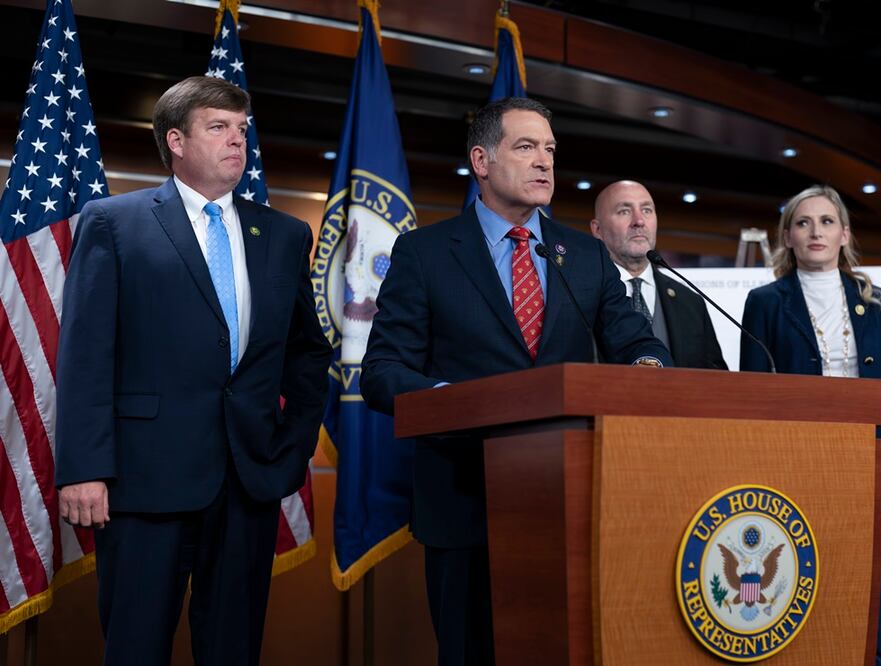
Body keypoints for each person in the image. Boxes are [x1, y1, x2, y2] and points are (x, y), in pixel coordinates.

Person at [359, 97, 671, 665]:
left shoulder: (585, 255)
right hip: (463, 498)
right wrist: (456, 403)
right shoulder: (425, 253)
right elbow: (383, 372)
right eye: (525, 147)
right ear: (481, 159)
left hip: (571, 501)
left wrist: (647, 375)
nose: (544, 162)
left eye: (549, 149)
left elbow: (639, 345)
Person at [54, 76, 332, 666]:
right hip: (142, 482)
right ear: (176, 140)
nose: (238, 142)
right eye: (219, 128)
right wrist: (84, 468)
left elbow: (306, 354)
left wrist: (292, 448)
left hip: (248, 481)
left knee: (233, 649)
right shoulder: (113, 222)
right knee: (136, 648)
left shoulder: (282, 233)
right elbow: (84, 355)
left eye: (242, 130)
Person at [739, 184, 881, 665]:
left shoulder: (877, 302)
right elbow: (753, 401)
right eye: (803, 223)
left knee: (872, 613)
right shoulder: (764, 302)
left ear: (844, 233)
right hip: (795, 473)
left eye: (826, 222)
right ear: (788, 236)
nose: (815, 232)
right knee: (806, 604)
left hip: (874, 473)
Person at [591, 180, 728, 369]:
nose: (639, 221)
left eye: (647, 210)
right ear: (597, 229)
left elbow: (716, 378)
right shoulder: (582, 297)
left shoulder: (690, 301)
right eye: (624, 211)